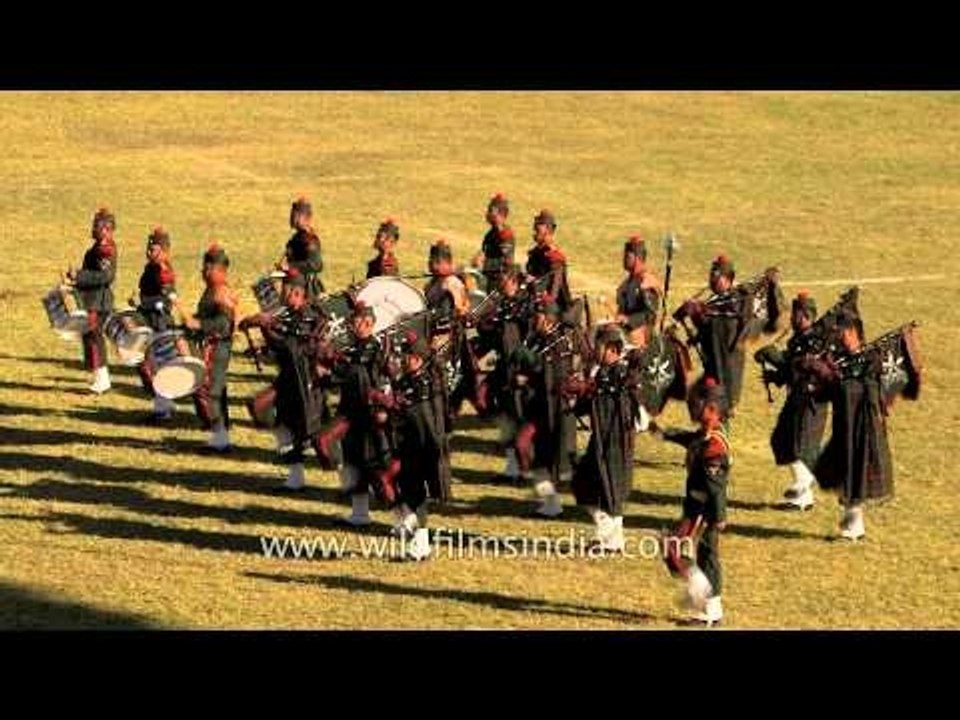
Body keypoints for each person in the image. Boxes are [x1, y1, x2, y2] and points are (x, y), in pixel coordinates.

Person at [653, 377, 732, 625]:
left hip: (703, 510)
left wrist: (719, 516)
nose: (696, 409)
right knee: (700, 553)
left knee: (679, 548)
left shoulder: (714, 446)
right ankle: (710, 607)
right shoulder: (706, 435)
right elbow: (691, 439)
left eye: (703, 405)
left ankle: (704, 600)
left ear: (714, 410)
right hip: (695, 506)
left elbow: (715, 486)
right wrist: (664, 434)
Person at [813, 310, 894, 541]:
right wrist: (820, 380)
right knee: (839, 474)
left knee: (855, 475)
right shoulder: (840, 359)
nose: (840, 339)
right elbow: (828, 393)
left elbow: (867, 392)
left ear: (853, 333)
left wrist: (839, 381)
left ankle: (854, 528)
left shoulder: (871, 360)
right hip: (843, 426)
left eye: (843, 334)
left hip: (863, 428)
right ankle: (852, 524)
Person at [240, 269, 325, 491]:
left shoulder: (311, 317)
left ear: (297, 292)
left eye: (286, 289)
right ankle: (295, 477)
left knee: (317, 435)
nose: (282, 294)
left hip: (306, 380)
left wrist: (267, 327)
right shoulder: (287, 314)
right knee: (271, 415)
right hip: (288, 378)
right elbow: (279, 348)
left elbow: (292, 346)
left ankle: (350, 479)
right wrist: (262, 342)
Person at [567, 324, 642, 551]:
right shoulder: (601, 372)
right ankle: (609, 535)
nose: (595, 350)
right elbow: (590, 401)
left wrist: (590, 388)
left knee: (610, 487)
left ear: (612, 349)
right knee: (584, 483)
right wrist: (575, 396)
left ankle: (610, 538)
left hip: (615, 439)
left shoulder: (621, 375)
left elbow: (625, 398)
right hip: (600, 437)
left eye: (599, 346)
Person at [754, 291, 829, 510]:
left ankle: (805, 482)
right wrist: (774, 376)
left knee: (801, 446)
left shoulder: (817, 341)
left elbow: (800, 366)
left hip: (812, 401)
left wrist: (773, 356)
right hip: (796, 398)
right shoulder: (798, 338)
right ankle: (802, 499)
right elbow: (789, 369)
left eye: (796, 314)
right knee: (781, 440)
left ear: (806, 316)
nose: (792, 318)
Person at [175, 243, 238, 452]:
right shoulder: (211, 289)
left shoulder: (221, 292)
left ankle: (221, 440)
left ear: (219, 270)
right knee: (215, 389)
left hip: (217, 347)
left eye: (208, 267)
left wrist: (198, 324)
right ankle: (221, 435)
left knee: (212, 391)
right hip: (211, 345)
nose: (203, 271)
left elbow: (224, 324)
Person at [67, 207, 118, 394]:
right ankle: (99, 378)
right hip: (92, 300)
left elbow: (106, 276)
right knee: (90, 338)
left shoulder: (105, 249)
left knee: (94, 339)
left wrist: (79, 276)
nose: (93, 228)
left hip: (98, 302)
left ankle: (102, 380)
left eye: (96, 226)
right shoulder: (99, 247)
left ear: (106, 229)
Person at [133, 226, 178, 419]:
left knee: (160, 368)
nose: (148, 251)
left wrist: (142, 303)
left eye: (153, 249)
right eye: (148, 247)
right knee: (149, 366)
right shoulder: (150, 267)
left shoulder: (164, 271)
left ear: (164, 251)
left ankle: (163, 410)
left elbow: (165, 302)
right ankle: (163, 406)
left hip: (160, 324)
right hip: (148, 321)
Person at [281, 196, 324, 301]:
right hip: (292, 286)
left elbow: (316, 265)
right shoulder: (297, 237)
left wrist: (290, 266)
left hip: (303, 290)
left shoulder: (309, 239)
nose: (292, 217)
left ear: (303, 216)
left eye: (295, 214)